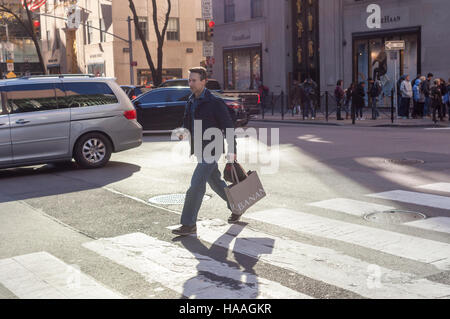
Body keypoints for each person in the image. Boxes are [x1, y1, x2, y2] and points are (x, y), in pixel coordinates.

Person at [172, 67, 238, 236]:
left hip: (212, 149)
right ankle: (237, 205)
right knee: (215, 181)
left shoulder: (214, 102)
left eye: (194, 80)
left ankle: (188, 224)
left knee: (196, 185)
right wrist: (183, 132)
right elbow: (188, 121)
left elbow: (228, 127)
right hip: (200, 149)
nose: (191, 84)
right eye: (189, 80)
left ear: (203, 81)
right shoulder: (191, 100)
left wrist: (233, 150)